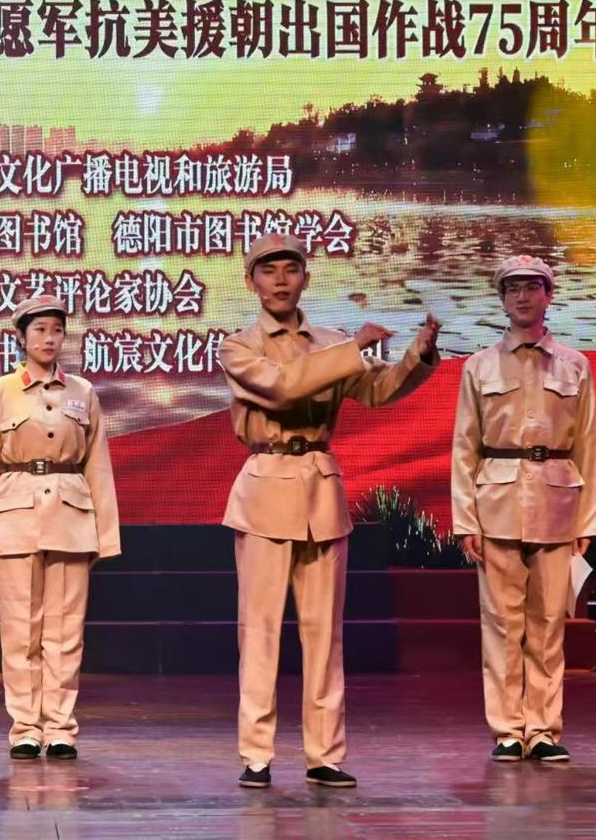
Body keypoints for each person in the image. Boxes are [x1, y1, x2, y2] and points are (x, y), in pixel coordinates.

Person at [220, 233, 440, 789]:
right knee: (260, 631)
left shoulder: (333, 340)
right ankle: (256, 754)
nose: (280, 280)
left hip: (321, 490)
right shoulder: (239, 346)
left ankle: (325, 755)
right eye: (268, 270)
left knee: (324, 634)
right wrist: (352, 349)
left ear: (305, 278)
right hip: (265, 487)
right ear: (250, 282)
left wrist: (418, 355)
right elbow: (281, 388)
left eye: (290, 269)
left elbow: (377, 390)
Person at [451, 255, 596, 763]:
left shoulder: (575, 365)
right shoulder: (478, 366)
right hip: (496, 502)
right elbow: (464, 447)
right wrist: (464, 520)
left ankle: (543, 729)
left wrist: (587, 520)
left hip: (557, 501)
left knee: (548, 624)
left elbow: (586, 444)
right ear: (501, 299)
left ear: (548, 295)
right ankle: (508, 730)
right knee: (501, 624)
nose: (522, 296)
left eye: (532, 286)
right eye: (512, 288)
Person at [0, 295, 121, 761]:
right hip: (14, 519)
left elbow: (99, 467)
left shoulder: (83, 392)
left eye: (56, 330)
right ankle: (26, 728)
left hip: (71, 519)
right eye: (40, 330)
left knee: (66, 633)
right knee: (20, 632)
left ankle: (61, 728)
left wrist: (104, 537)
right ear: (21, 337)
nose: (49, 339)